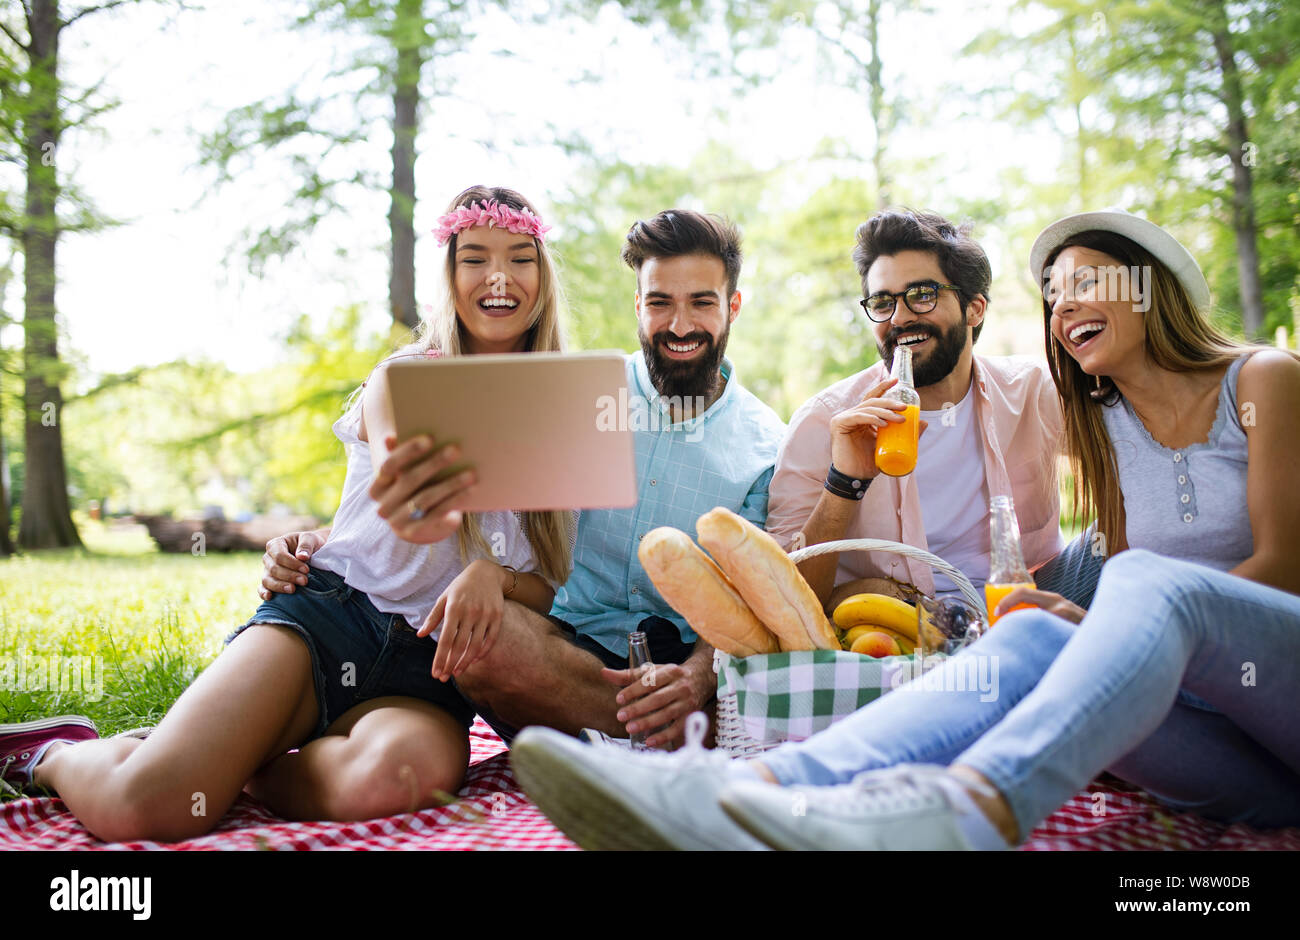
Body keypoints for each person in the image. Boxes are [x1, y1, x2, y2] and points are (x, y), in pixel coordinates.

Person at [507, 210, 1300, 851]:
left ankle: (962, 814)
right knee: (1022, 644)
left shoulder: (1258, 380)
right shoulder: (1099, 418)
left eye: (1088, 284)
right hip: (1225, 750)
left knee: (1126, 586)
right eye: (1055, 295)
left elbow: (1282, 569)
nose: (1064, 309)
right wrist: (850, 480)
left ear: (1151, 290)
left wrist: (1104, 624)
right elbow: (785, 580)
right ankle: (751, 795)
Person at [0, 185, 576, 841]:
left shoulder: (563, 409)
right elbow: (408, 497)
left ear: (541, 275)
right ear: (450, 275)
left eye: (519, 259)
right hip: (329, 619)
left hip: (427, 672)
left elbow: (545, 586)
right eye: (474, 258)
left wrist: (493, 579)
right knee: (146, 810)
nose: (499, 278)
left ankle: (248, 765)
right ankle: (57, 755)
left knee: (398, 780)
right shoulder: (404, 378)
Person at [264, 209, 786, 752]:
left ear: (733, 306)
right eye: (660, 302)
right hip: (560, 648)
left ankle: (643, 724)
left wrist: (699, 677)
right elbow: (457, 493)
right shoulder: (569, 393)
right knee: (483, 642)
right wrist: (322, 540)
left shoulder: (765, 444)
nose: (680, 325)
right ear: (638, 306)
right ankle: (659, 734)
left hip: (678, 658)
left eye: (701, 302)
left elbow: (744, 593)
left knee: (712, 683)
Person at [768, 208, 1099, 612]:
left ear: (974, 308)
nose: (900, 317)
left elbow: (1132, 454)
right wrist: (845, 483)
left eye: (922, 295)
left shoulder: (1033, 391)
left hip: (1024, 606)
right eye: (883, 301)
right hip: (902, 624)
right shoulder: (823, 421)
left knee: (1121, 544)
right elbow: (783, 599)